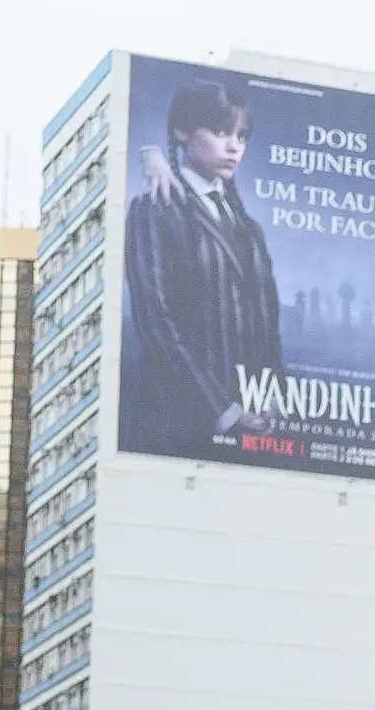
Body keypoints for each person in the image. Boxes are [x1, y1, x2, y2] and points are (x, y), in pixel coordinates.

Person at [121, 75, 287, 460]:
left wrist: (274, 396)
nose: (234, 147)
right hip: (174, 427)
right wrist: (223, 409)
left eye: (242, 137)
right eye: (219, 131)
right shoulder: (155, 209)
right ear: (182, 130)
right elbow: (157, 322)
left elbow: (268, 323)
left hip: (247, 429)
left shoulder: (249, 228)